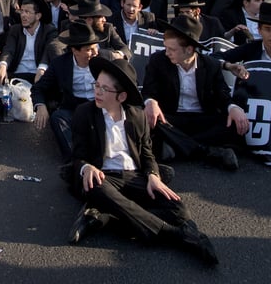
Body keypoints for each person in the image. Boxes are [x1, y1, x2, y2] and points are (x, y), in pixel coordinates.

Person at [67, 54, 219, 266]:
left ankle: (105, 217)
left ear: (121, 97)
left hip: (133, 175)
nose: (97, 92)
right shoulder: (85, 113)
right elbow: (78, 155)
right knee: (97, 188)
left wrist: (153, 176)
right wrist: (87, 167)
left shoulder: (137, 116)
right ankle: (172, 234)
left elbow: (147, 153)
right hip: (104, 177)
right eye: (96, 85)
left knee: (178, 208)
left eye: (104, 89)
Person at [141, 15, 248, 171]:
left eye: (172, 49)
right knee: (145, 120)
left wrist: (234, 108)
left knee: (233, 124)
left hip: (201, 119)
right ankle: (207, 151)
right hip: (171, 119)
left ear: (189, 49)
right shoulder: (158, 61)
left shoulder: (210, 65)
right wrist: (151, 101)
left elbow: (222, 93)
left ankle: (176, 147)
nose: (167, 53)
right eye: (166, 48)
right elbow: (148, 89)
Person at [33, 21, 110, 162]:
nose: (94, 53)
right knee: (58, 118)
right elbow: (38, 88)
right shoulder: (60, 64)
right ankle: (75, 161)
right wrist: (40, 106)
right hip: (75, 107)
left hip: (101, 107)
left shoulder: (105, 59)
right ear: (75, 50)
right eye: (88, 49)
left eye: (95, 48)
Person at [0, 0, 54, 85]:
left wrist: (42, 68)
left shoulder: (48, 31)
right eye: (22, 11)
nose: (23, 15)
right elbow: (9, 49)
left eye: (27, 12)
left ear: (38, 16)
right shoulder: (15, 30)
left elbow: (47, 53)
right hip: (17, 75)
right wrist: (3, 65)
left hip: (37, 75)